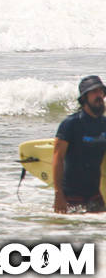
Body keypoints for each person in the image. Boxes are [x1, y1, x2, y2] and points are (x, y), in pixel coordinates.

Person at [53, 75, 106, 213]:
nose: (99, 95)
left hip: (95, 196)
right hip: (71, 197)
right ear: (84, 98)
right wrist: (59, 195)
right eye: (94, 92)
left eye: (101, 91)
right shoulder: (71, 124)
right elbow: (57, 159)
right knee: (71, 233)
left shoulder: (104, 124)